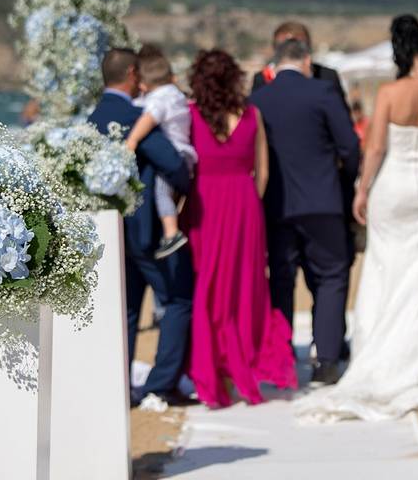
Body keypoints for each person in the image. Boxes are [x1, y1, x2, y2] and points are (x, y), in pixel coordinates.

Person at [296, 15, 418, 422]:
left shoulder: (391, 93)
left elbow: (373, 149)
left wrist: (361, 188)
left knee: (386, 266)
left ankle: (383, 352)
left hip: (392, 188)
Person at [183, 49, 297, 407]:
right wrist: (248, 201)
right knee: (246, 286)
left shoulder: (190, 116)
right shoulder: (252, 114)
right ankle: (240, 364)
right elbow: (261, 173)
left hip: (206, 203)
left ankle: (215, 370)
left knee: (209, 285)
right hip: (245, 204)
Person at [249, 38, 360, 385]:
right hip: (323, 201)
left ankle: (280, 361)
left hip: (275, 205)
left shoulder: (257, 100)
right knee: (331, 276)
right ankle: (326, 360)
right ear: (307, 62)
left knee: (280, 279)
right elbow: (349, 145)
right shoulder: (322, 93)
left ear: (275, 63)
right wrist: (347, 181)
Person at [87, 48, 193, 407]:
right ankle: (161, 384)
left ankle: (119, 384)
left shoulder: (88, 122)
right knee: (178, 299)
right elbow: (171, 162)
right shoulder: (138, 117)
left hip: (108, 232)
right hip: (147, 228)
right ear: (133, 73)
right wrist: (185, 181)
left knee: (127, 309)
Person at [125, 45, 198, 258]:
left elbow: (149, 118)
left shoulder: (159, 98)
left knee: (161, 192)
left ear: (144, 84)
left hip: (174, 154)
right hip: (185, 154)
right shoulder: (175, 94)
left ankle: (171, 232)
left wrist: (132, 140)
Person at [252, 21, 348, 109]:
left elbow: (341, 113)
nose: (291, 51)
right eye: (284, 47)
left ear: (308, 48)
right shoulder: (263, 78)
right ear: (275, 49)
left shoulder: (327, 76)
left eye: (298, 47)